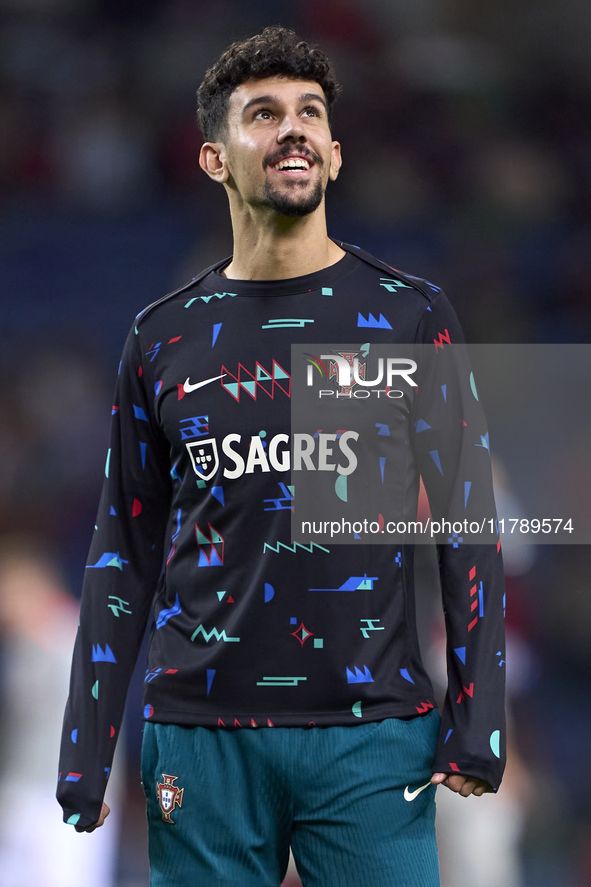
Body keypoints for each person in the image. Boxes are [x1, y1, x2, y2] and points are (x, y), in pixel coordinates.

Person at [57, 26, 506, 886]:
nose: (291, 129)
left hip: (372, 736)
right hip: (200, 735)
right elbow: (123, 550)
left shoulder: (406, 314)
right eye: (262, 115)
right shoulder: (162, 336)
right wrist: (88, 746)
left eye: (308, 114)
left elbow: (467, 524)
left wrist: (476, 715)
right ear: (214, 158)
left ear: (334, 156)